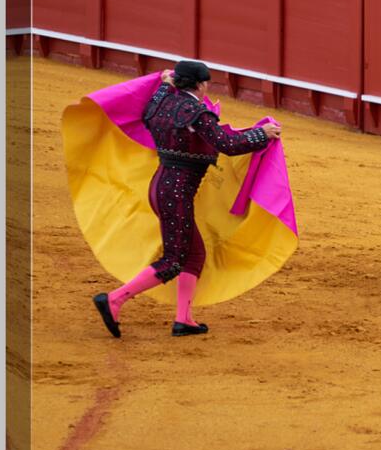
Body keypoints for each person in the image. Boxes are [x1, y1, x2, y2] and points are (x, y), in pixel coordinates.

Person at [92, 61, 281, 338]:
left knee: (193, 254)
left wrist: (164, 86)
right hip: (176, 192)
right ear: (202, 85)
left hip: (160, 186)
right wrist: (260, 135)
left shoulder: (163, 102)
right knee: (173, 260)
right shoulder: (197, 112)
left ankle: (184, 320)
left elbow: (146, 115)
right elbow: (228, 145)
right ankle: (115, 299)